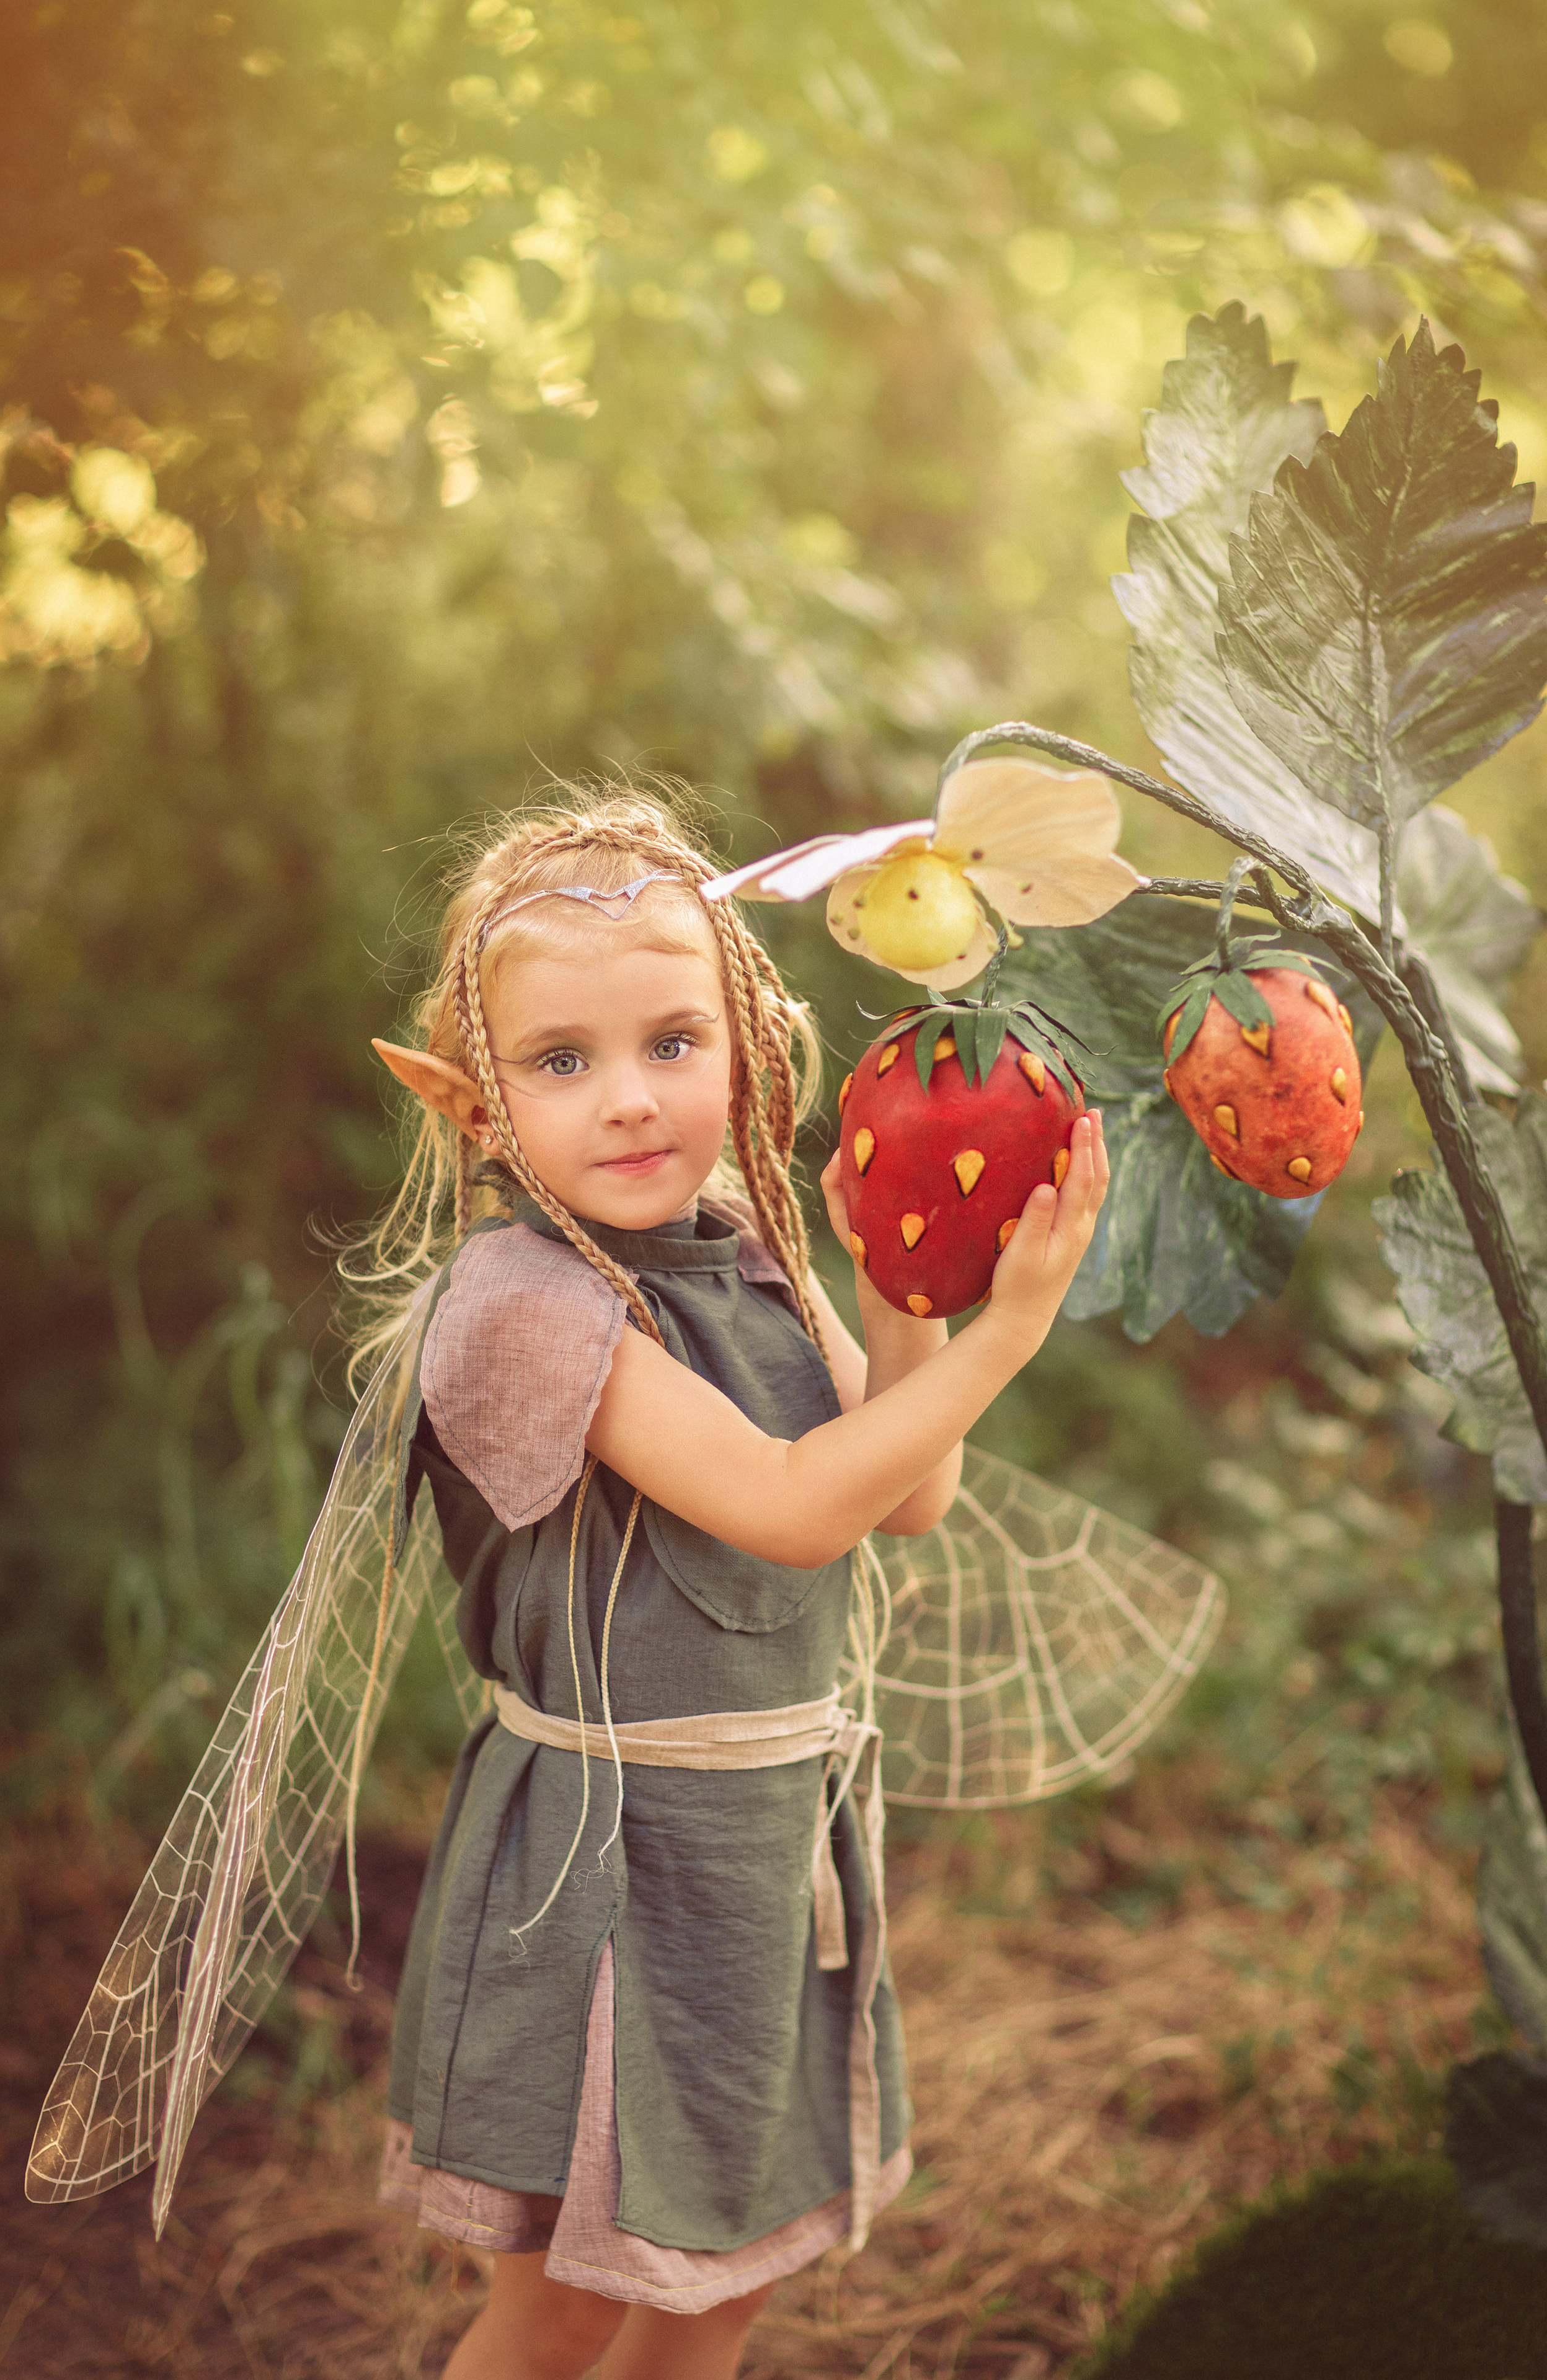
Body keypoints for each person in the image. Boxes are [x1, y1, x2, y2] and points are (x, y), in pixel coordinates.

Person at [351, 784, 1109, 2380]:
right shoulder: (521, 1301)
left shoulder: (740, 1244)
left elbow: (905, 1492)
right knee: (564, 2294)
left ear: (746, 1049)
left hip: (754, 1860)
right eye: (563, 1061)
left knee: (723, 2277)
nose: (629, 1101)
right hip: (604, 1872)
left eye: (670, 1042)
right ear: (475, 1105)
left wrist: (903, 1291)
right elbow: (786, 1506)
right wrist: (1008, 1334)